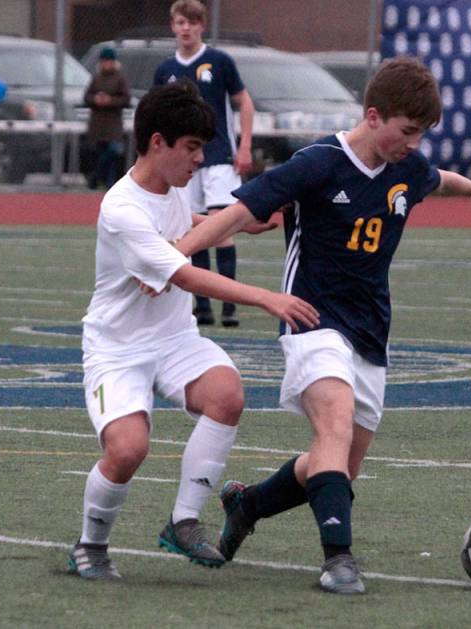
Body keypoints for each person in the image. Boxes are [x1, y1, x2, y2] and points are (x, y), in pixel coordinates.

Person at [172, 57, 471, 594]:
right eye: (408, 131)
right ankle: (339, 559)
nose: (414, 143)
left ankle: (248, 504)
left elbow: (438, 180)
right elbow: (238, 213)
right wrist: (178, 254)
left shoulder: (406, 168)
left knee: (339, 467)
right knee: (334, 427)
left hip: (371, 331)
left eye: (422, 134)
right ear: (374, 116)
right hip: (312, 319)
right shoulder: (319, 162)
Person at [67, 81, 318, 581]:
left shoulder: (173, 187)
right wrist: (267, 296)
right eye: (192, 147)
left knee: (227, 394)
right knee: (128, 449)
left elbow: (185, 227)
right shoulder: (121, 209)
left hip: (174, 338)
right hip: (117, 349)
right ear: (157, 142)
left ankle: (183, 520)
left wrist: (236, 222)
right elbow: (182, 271)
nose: (200, 158)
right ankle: (90, 546)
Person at [154, 0, 255, 328]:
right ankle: (202, 305)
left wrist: (244, 146)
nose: (186, 28)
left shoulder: (218, 61)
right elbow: (154, 116)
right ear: (173, 27)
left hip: (219, 158)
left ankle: (229, 305)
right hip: (184, 165)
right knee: (189, 226)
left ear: (201, 26)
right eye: (181, 23)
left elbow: (244, 102)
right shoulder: (166, 70)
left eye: (192, 22)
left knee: (220, 227)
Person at [83, 46, 130, 190]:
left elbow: (125, 99)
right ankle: (103, 180)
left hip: (113, 124)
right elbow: (86, 97)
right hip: (97, 124)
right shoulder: (96, 79)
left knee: (113, 152)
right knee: (99, 152)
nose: (106, 64)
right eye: (104, 61)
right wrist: (96, 99)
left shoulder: (120, 79)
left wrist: (110, 101)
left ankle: (98, 177)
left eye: (108, 61)